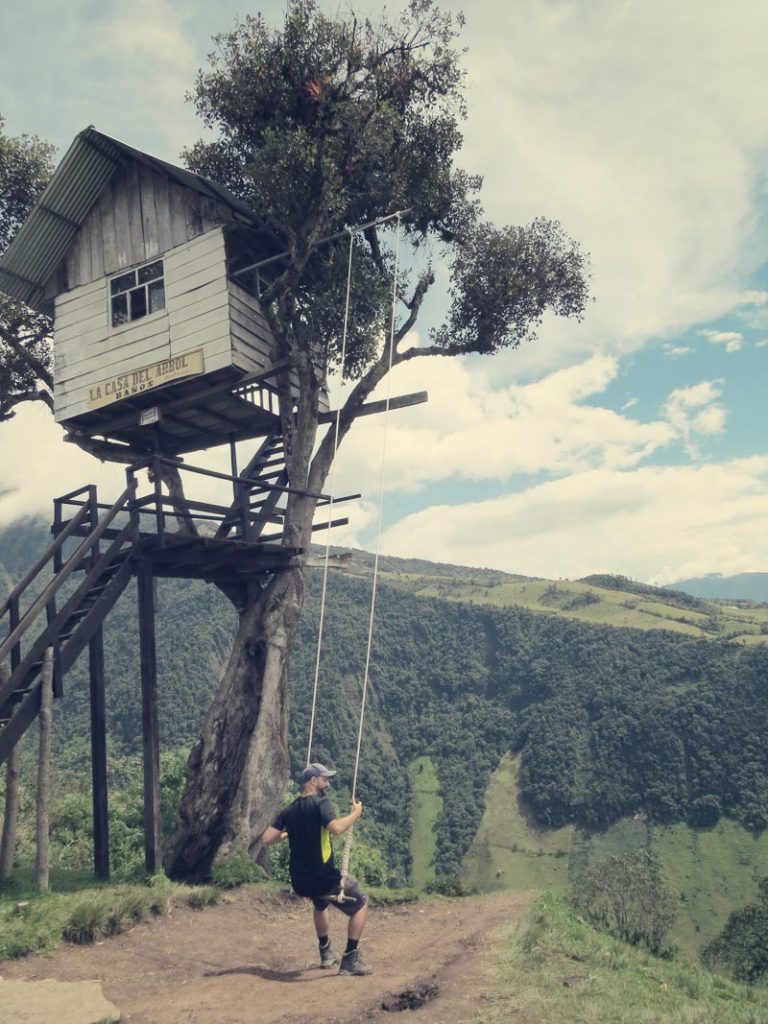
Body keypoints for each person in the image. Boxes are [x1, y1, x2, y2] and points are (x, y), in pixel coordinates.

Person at [261, 762, 373, 976]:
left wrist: (286, 833)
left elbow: (267, 838)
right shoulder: (322, 804)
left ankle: (326, 953)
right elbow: (337, 829)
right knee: (361, 902)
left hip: (300, 882)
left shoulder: (290, 809)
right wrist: (356, 813)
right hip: (323, 878)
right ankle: (350, 959)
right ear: (313, 780)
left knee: (320, 903)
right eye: (325, 779)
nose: (328, 784)